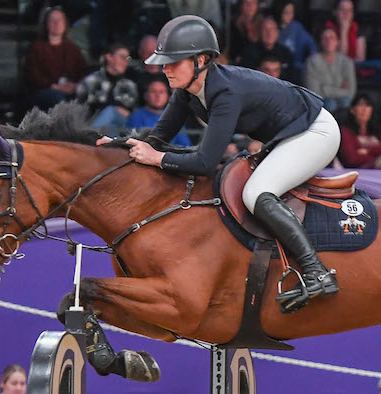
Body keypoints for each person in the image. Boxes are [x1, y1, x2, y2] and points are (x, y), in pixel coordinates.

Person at [128, 15, 340, 311]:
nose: (164, 69)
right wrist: (112, 145)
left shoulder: (225, 92)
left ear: (201, 60)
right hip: (289, 134)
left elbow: (204, 162)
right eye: (164, 62)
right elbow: (156, 140)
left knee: (256, 193)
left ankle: (317, 272)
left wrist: (158, 159)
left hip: (315, 131)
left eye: (173, 62)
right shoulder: (186, 92)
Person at [26, 7, 89, 110]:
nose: (57, 23)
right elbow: (33, 75)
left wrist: (74, 86)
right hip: (46, 90)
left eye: (60, 20)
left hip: (71, 88)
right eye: (52, 20)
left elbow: (83, 71)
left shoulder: (73, 48)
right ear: (46, 24)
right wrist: (55, 86)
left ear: (65, 24)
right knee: (57, 98)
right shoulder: (37, 47)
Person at [77, 42, 140, 130]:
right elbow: (80, 105)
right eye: (122, 57)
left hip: (123, 124)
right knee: (110, 122)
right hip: (96, 122)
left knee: (111, 112)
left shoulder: (129, 85)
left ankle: (91, 136)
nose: (125, 62)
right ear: (109, 57)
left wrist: (125, 112)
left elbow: (134, 112)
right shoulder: (91, 80)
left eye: (127, 59)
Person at [125, 77, 191, 146]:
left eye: (161, 92)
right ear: (145, 95)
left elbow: (185, 145)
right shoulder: (136, 116)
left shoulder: (175, 116)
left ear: (168, 95)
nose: (158, 95)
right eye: (153, 91)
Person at [305, 26, 356, 114]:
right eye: (325, 38)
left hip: (343, 102)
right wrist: (341, 90)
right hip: (321, 104)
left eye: (332, 37)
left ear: (337, 41)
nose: (329, 41)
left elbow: (351, 92)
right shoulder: (312, 62)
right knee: (330, 104)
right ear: (320, 42)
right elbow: (314, 93)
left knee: (346, 101)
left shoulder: (347, 62)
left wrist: (325, 89)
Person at [338, 94, 381, 168]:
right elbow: (351, 159)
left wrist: (368, 151)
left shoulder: (379, 131)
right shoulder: (345, 132)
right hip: (359, 173)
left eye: (367, 105)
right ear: (352, 110)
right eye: (360, 105)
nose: (364, 109)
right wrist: (378, 155)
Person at [241, 17, 296, 83]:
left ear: (277, 33)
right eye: (265, 29)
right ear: (259, 32)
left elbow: (292, 81)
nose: (269, 33)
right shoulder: (249, 53)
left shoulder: (286, 53)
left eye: (272, 29)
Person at [274, 2, 316, 75]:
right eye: (287, 12)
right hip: (277, 68)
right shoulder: (272, 26)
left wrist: (313, 56)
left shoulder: (296, 27)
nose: (291, 15)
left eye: (292, 12)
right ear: (280, 11)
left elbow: (311, 44)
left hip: (296, 68)